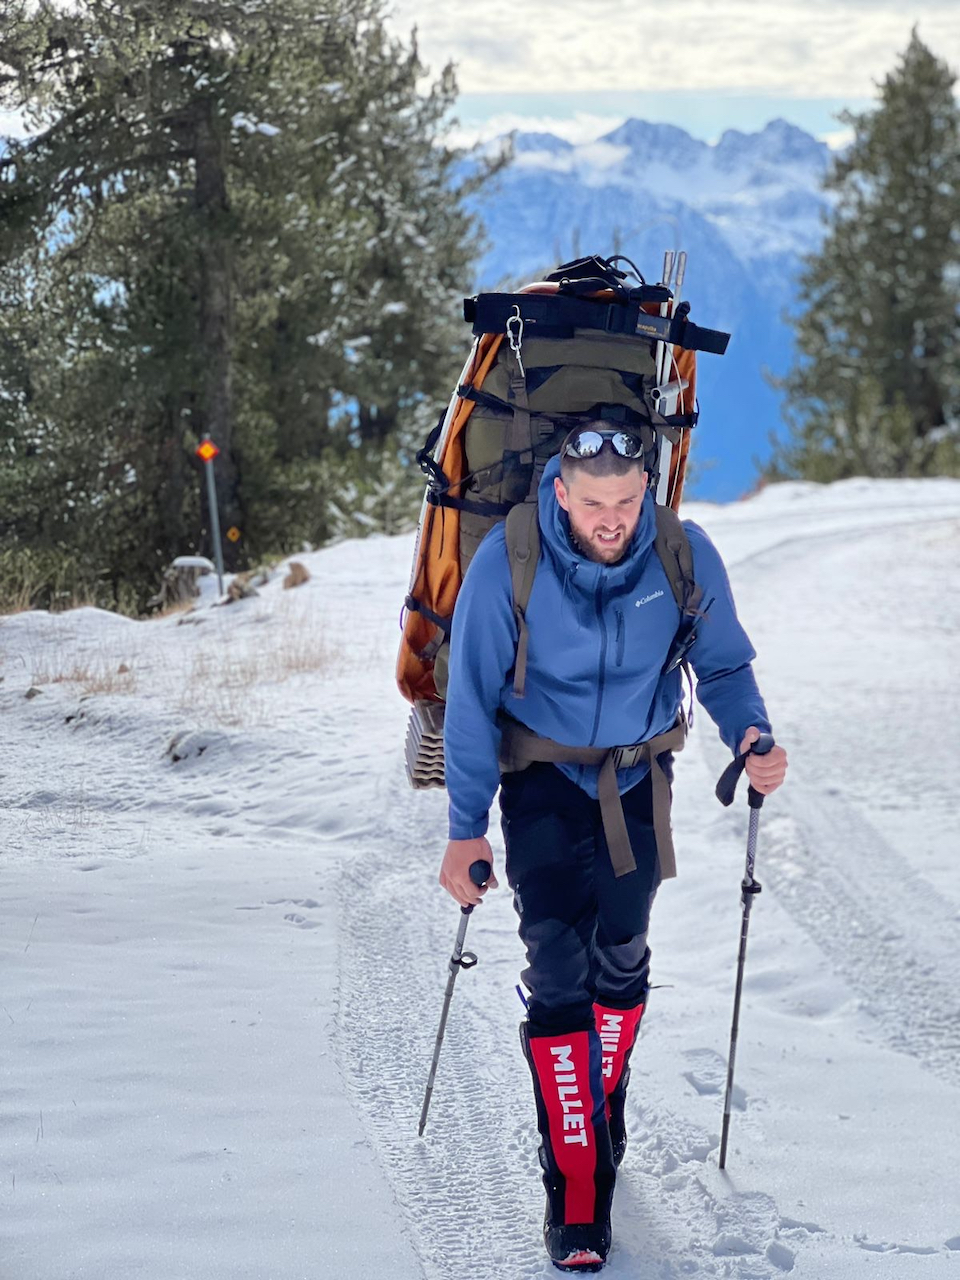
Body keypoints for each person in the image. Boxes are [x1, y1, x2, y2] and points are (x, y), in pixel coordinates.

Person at [438, 423, 788, 1273]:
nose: (611, 519)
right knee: (559, 966)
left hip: (639, 779)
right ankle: (577, 1189)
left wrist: (751, 733)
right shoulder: (509, 560)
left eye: (626, 501)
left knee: (622, 956)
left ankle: (598, 1100)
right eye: (594, 502)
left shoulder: (681, 555)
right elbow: (472, 699)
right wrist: (464, 828)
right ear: (561, 491)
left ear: (646, 492)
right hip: (541, 781)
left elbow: (724, 665)